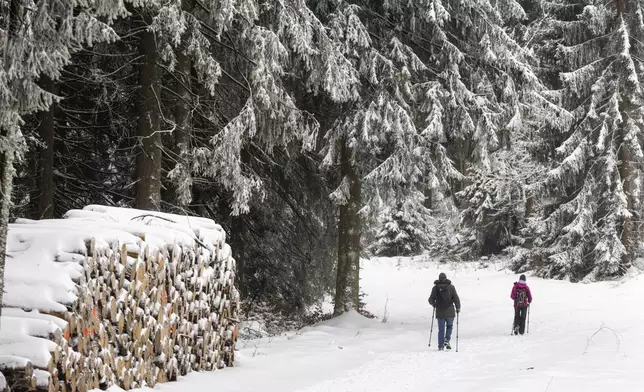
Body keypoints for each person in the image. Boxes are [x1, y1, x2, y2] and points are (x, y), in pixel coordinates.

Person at [428, 272, 461, 350]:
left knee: (441, 329)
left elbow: (430, 300)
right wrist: (458, 308)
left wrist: (434, 304)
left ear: (439, 279)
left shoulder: (435, 288)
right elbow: (456, 298)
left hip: (440, 312)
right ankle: (447, 339)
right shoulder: (451, 287)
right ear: (446, 278)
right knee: (449, 326)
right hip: (450, 311)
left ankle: (440, 346)